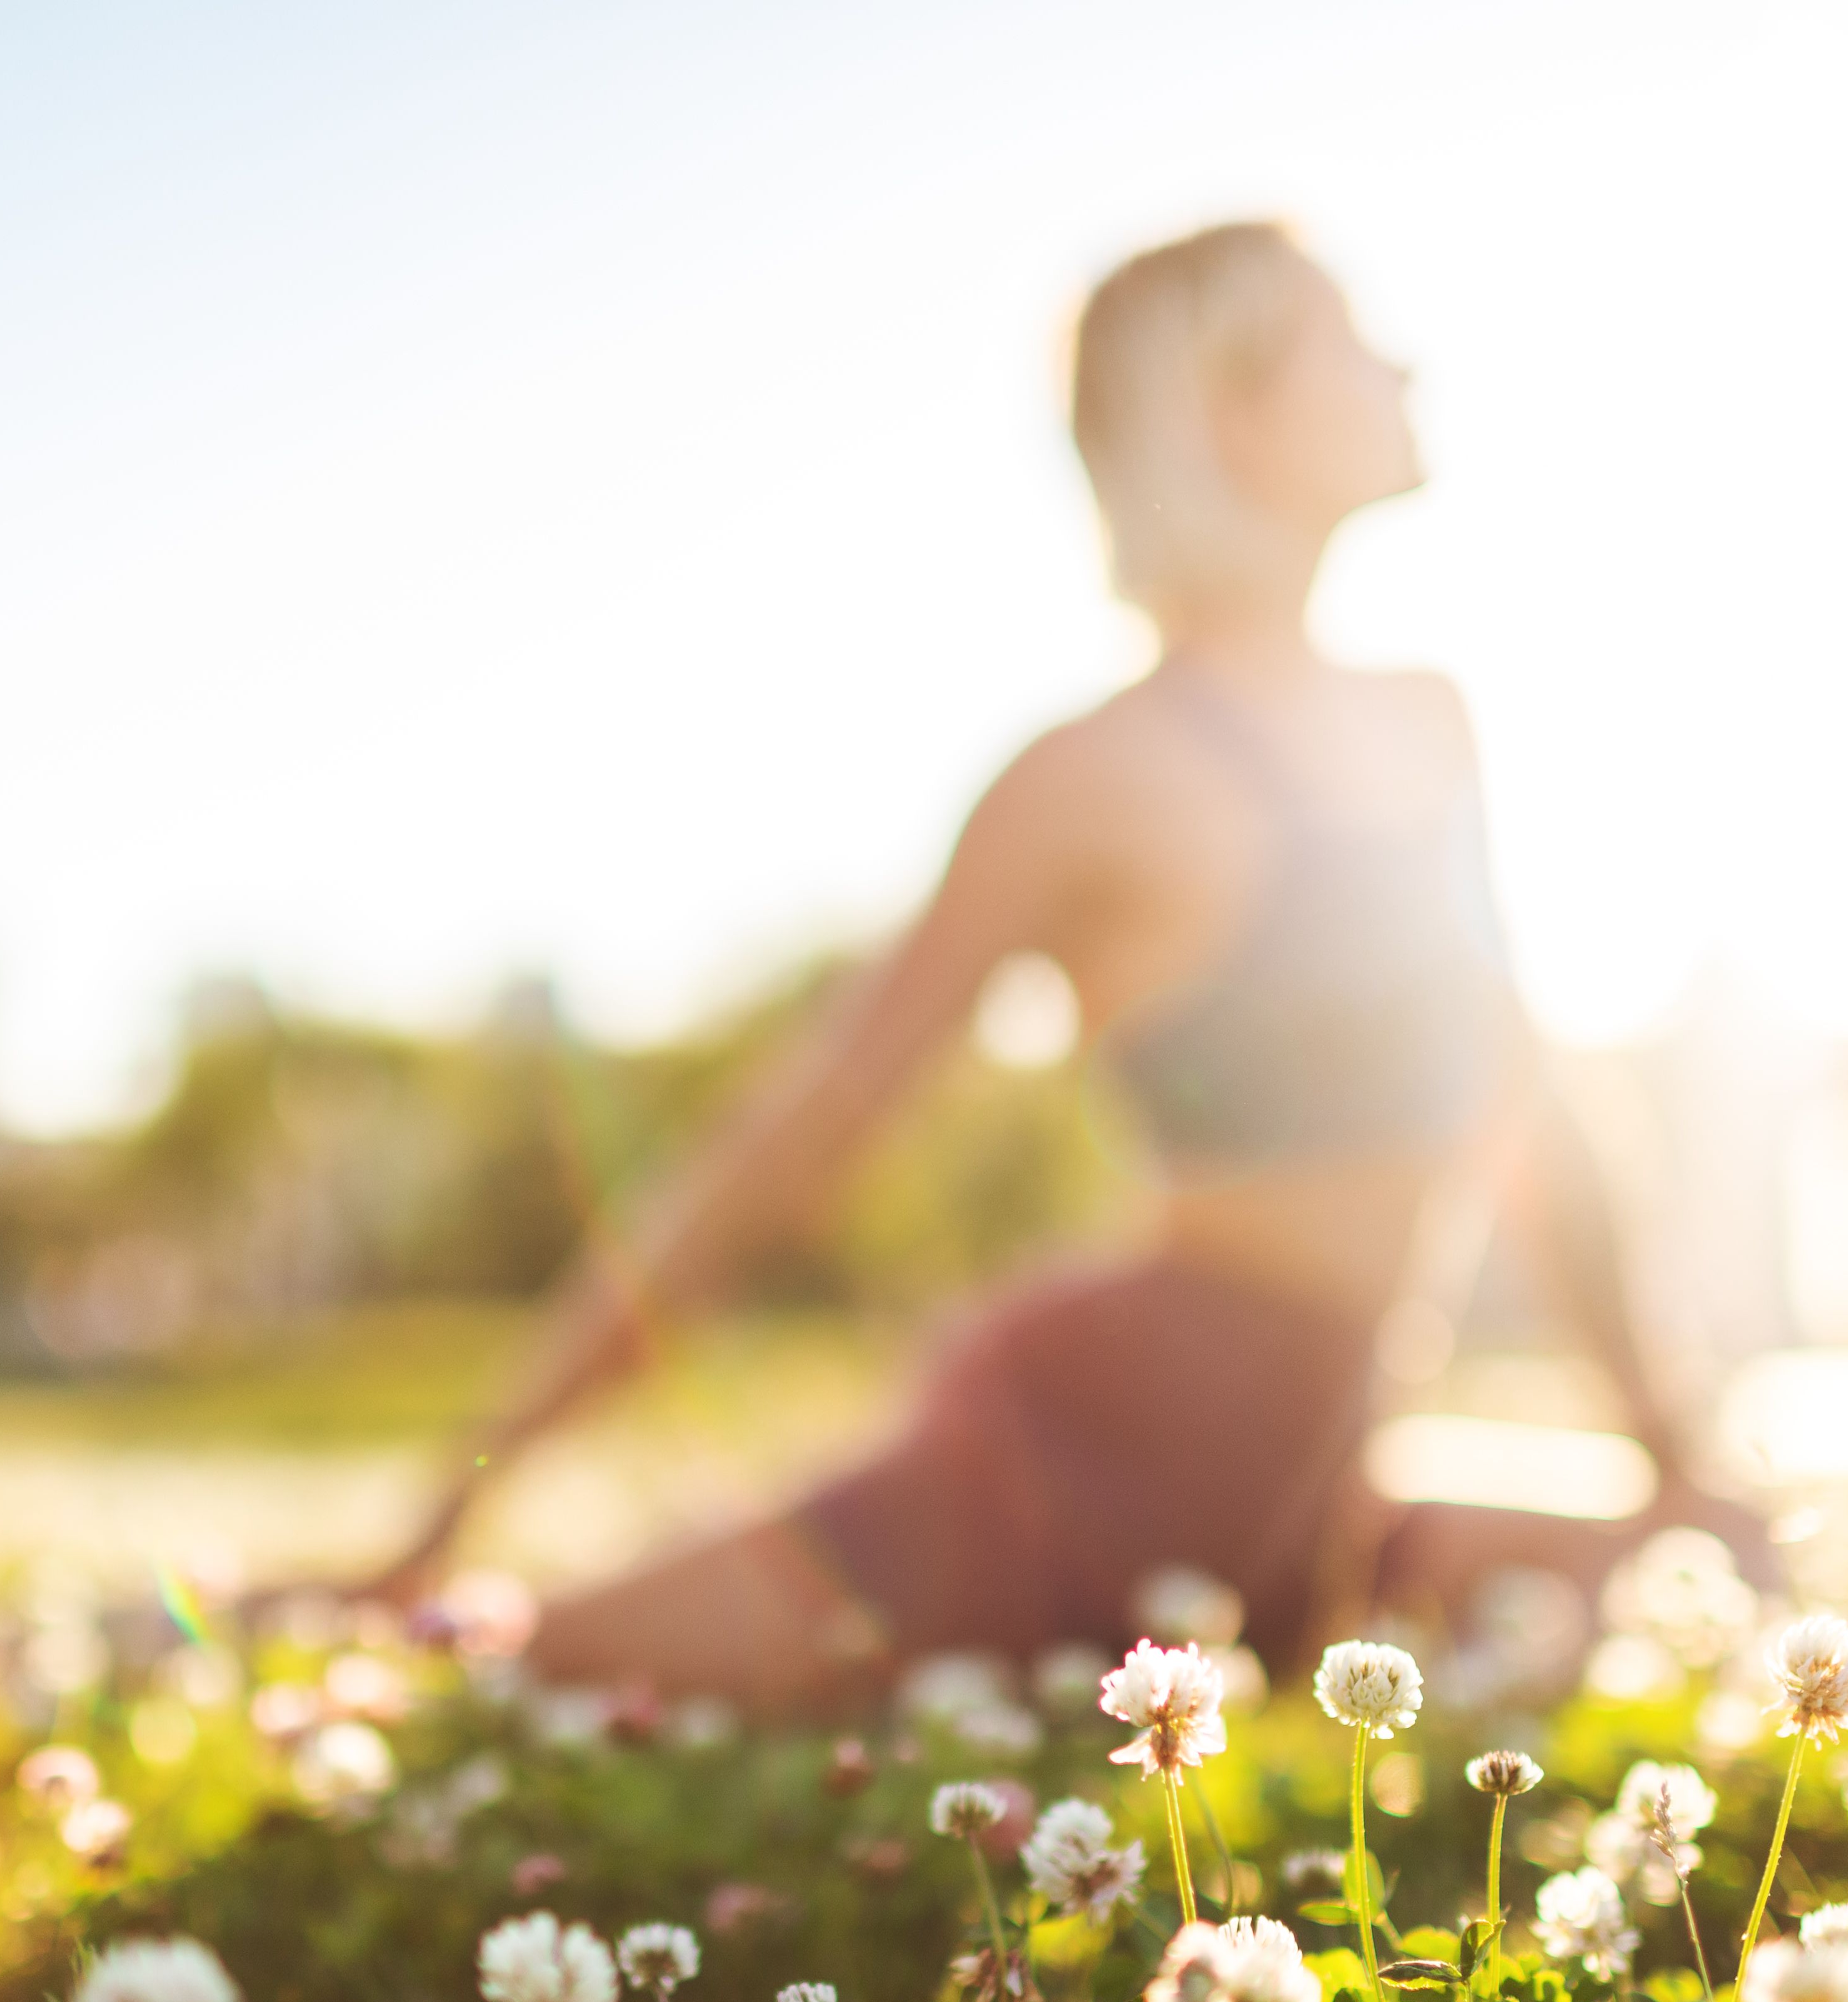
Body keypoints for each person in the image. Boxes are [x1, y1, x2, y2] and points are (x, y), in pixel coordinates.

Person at [364, 221, 1767, 1715]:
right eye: (1349, 336)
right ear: (1230, 414)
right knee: (508, 1666)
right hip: (1081, 1468)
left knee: (1721, 1571)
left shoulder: (1431, 723)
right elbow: (792, 1144)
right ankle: (336, 1614)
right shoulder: (1086, 782)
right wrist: (450, 1513)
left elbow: (1532, 1121)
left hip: (1306, 1483)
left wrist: (1682, 1466)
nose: (1402, 364)